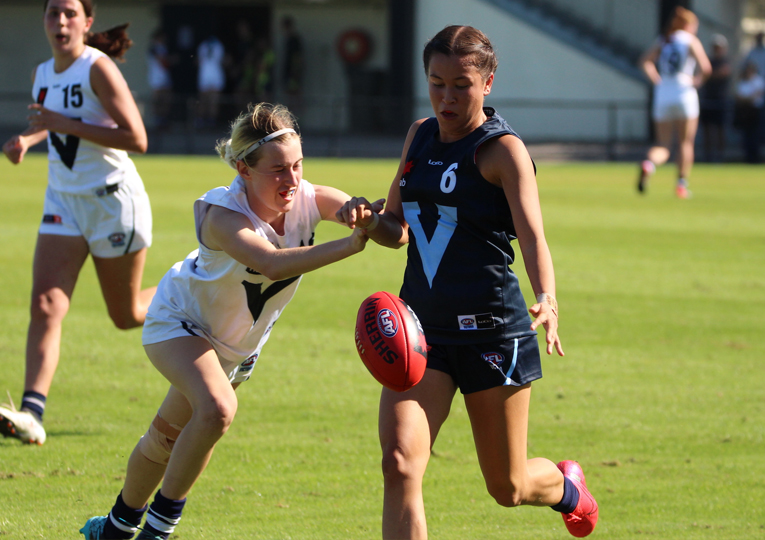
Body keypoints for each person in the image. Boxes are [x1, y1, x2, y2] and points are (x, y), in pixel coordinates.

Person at [336, 25, 598, 539]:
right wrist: (368, 220)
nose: (447, 98)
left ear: (488, 83)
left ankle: (567, 488)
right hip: (420, 335)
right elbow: (398, 230)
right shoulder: (419, 135)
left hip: (492, 334)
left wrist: (546, 297)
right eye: (437, 84)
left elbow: (533, 237)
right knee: (399, 464)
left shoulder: (502, 151)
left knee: (508, 486)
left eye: (462, 85)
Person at [79, 102, 375, 540]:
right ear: (243, 169)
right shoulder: (222, 214)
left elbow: (368, 218)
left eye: (297, 165)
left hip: (236, 348)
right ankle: (157, 532)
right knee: (217, 410)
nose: (292, 179)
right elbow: (271, 264)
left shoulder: (307, 197)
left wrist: (368, 214)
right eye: (278, 169)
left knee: (166, 439)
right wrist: (350, 245)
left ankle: (115, 528)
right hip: (181, 323)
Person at [0, 0, 154, 446]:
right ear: (44, 21)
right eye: (53, 13)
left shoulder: (98, 68)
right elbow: (54, 125)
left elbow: (137, 138)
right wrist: (28, 139)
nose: (60, 21)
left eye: (70, 13)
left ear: (87, 22)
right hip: (63, 201)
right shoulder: (41, 73)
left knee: (126, 315)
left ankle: (192, 291)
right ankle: (31, 413)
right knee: (46, 304)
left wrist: (60, 122)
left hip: (111, 202)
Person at [637, 6, 712, 198]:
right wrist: (696, 82)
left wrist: (657, 81)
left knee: (663, 144)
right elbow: (706, 68)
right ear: (688, 25)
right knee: (685, 143)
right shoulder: (690, 40)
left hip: (664, 93)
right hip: (684, 92)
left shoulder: (664, 40)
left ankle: (649, 164)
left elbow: (645, 61)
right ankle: (681, 185)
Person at [699, 34, 731, 163]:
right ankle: (708, 156)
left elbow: (720, 73)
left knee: (720, 130)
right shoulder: (708, 61)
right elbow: (703, 75)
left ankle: (720, 156)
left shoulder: (725, 62)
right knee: (707, 129)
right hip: (708, 99)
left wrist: (709, 74)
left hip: (720, 100)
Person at [733, 61, 765, 163]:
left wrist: (746, 99)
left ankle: (755, 157)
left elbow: (756, 95)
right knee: (746, 135)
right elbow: (738, 96)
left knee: (755, 134)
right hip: (745, 111)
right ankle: (748, 157)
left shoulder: (758, 80)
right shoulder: (742, 81)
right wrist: (747, 99)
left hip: (756, 111)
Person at [195, 33, 226, 128]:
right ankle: (201, 120)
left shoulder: (218, 46)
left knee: (213, 100)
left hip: (215, 75)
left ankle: (211, 121)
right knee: (204, 100)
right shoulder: (203, 46)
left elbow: (222, 60)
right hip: (205, 75)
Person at [146, 29, 174, 130]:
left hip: (164, 76)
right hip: (156, 78)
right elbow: (162, 61)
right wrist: (172, 60)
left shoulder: (164, 48)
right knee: (157, 99)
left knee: (166, 98)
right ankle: (156, 120)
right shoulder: (153, 48)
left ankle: (163, 119)